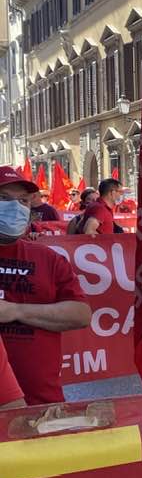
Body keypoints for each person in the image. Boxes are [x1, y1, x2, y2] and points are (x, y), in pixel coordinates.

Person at [0, 165, 91, 405]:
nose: (15, 207)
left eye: (23, 200)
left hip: (42, 403)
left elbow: (81, 314)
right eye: (4, 198)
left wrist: (15, 311)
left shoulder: (48, 259)